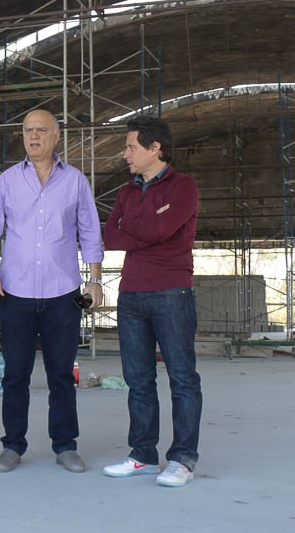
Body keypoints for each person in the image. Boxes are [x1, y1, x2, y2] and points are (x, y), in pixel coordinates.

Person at [0, 108, 104, 474]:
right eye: (28, 130)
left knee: (61, 374)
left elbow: (90, 231)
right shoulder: (7, 181)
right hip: (14, 292)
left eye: (41, 130)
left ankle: (65, 445)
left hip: (63, 292)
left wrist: (94, 279)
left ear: (56, 136)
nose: (33, 136)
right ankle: (12, 445)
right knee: (15, 374)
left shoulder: (75, 181)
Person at [101, 116, 203, 488]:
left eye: (131, 147)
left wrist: (135, 227)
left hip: (171, 292)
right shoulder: (126, 192)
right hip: (130, 295)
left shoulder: (184, 186)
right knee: (138, 380)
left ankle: (182, 459)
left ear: (155, 148)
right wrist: (148, 227)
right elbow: (111, 236)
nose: (125, 154)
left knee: (182, 378)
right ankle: (143, 455)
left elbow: (160, 229)